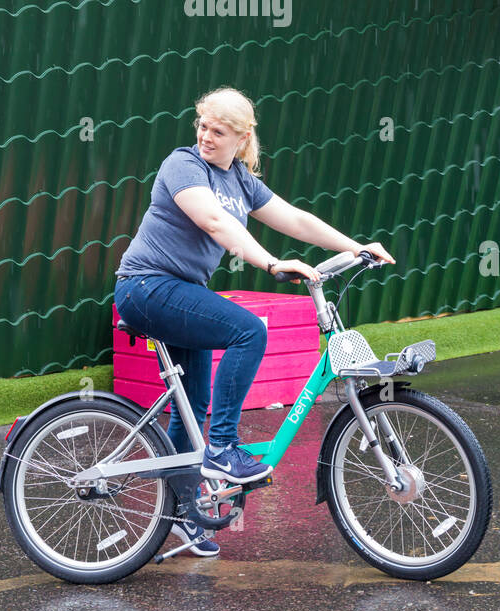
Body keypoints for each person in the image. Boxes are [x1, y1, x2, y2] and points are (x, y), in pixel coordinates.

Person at [114, 86, 394, 558]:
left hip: (181, 293)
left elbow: (296, 220)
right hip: (145, 287)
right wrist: (269, 263)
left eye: (218, 131)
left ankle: (183, 514)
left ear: (242, 139)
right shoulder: (183, 165)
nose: (205, 136)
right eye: (202, 125)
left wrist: (355, 247)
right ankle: (224, 447)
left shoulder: (240, 180)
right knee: (249, 329)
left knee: (193, 404)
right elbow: (214, 223)